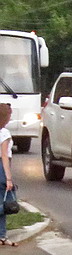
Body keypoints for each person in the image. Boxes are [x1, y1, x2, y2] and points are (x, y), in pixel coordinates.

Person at [1, 101, 15, 246]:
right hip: (2, 167)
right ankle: (2, 234)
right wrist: (8, 178)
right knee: (5, 203)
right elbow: (4, 155)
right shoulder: (4, 133)